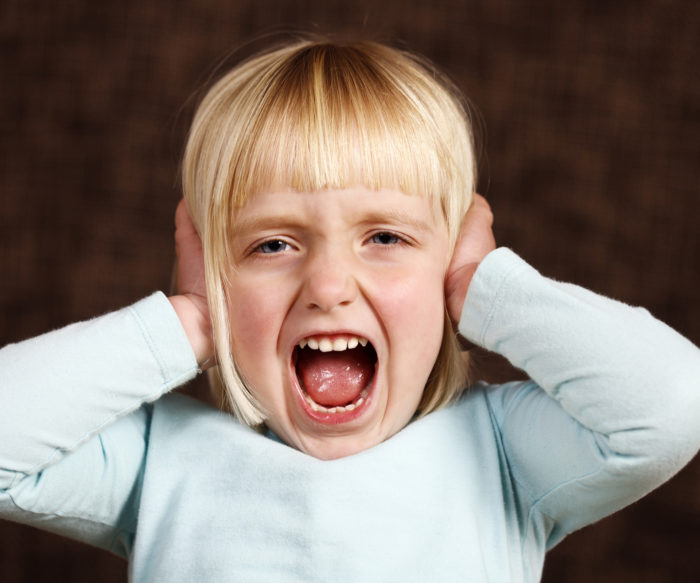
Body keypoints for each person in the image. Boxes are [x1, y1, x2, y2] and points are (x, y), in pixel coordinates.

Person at [1, 38, 699, 582]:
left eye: (386, 237)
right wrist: (189, 320)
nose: (328, 284)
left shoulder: (504, 453)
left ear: (449, 257)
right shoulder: (164, 459)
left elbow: (672, 401)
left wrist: (482, 285)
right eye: (272, 244)